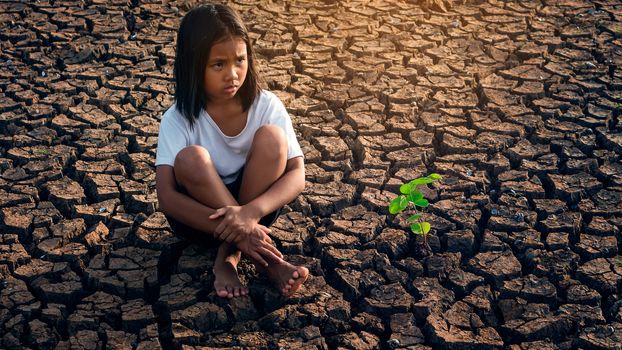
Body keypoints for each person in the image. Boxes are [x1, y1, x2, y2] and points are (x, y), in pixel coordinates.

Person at [155, 3, 308, 299]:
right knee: (190, 158)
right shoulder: (178, 117)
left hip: (257, 209)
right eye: (218, 65)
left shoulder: (266, 105)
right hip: (200, 219)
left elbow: (297, 174)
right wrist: (243, 228)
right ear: (192, 65)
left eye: (240, 60)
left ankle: (227, 258)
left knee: (274, 140)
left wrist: (249, 214)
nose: (233, 74)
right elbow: (167, 198)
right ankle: (270, 263)